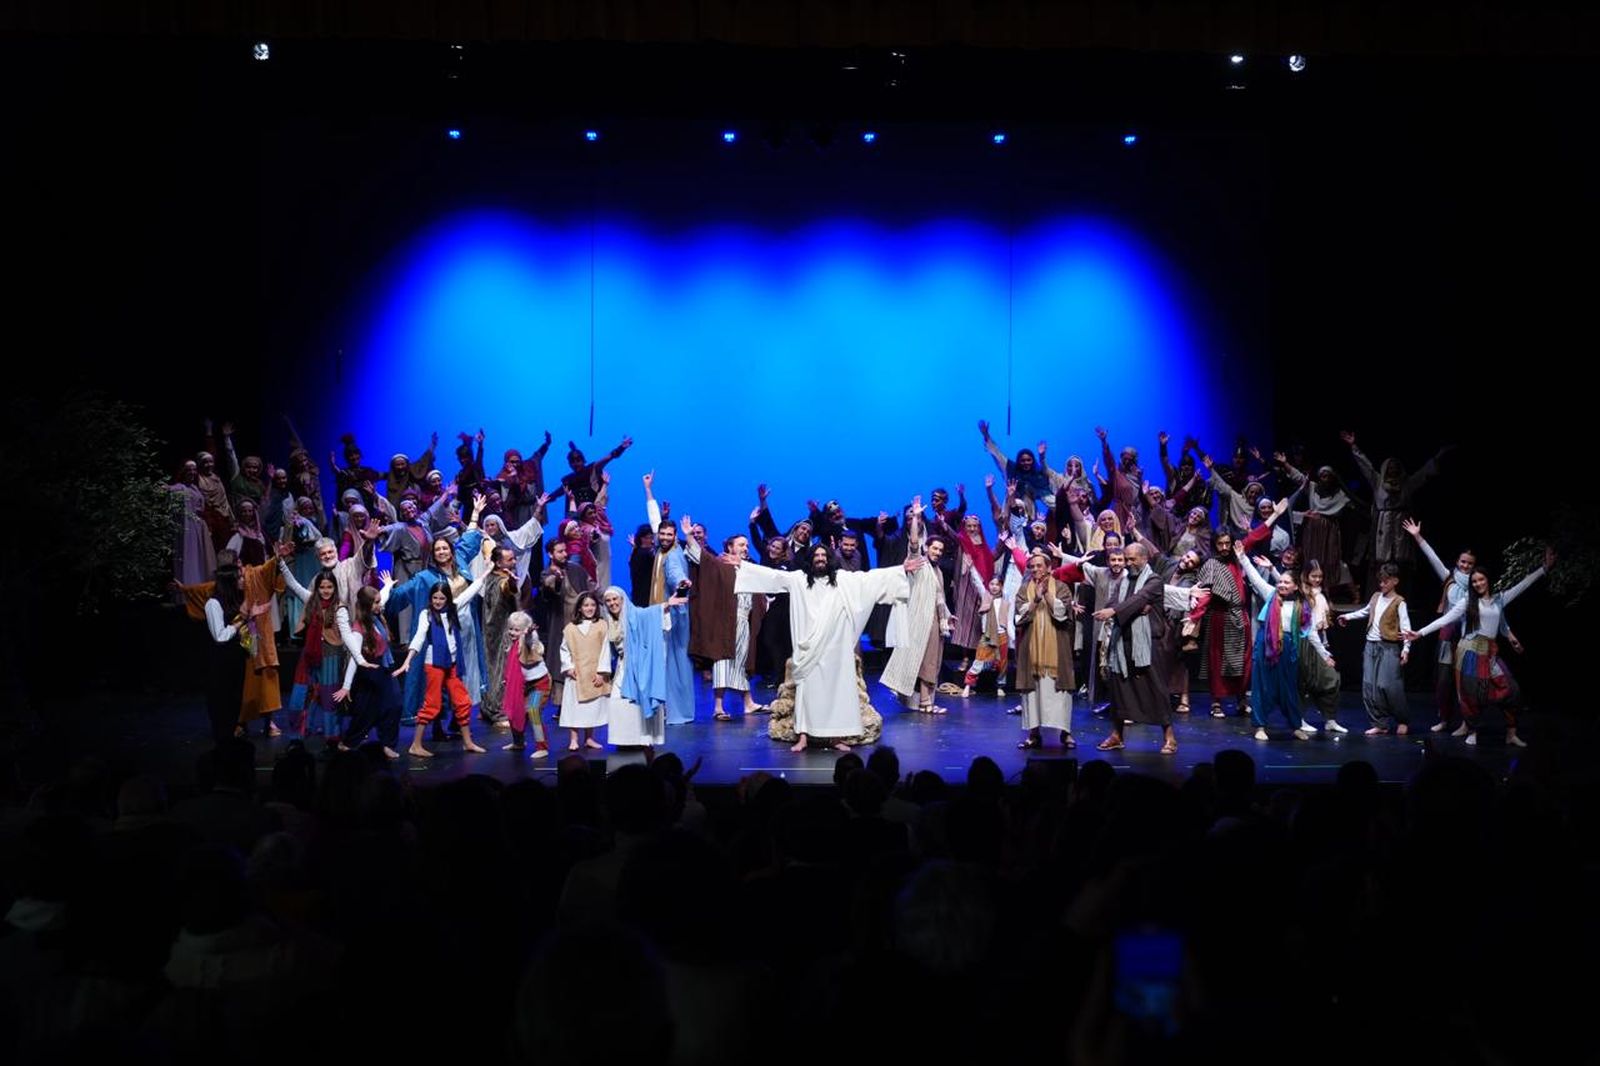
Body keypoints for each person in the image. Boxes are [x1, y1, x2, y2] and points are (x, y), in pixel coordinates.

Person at [734, 544, 922, 752]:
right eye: (817, 555)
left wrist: (900, 570)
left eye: (824, 555)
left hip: (835, 647)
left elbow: (870, 579)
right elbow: (773, 577)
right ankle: (803, 737)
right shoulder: (798, 579)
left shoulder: (842, 581)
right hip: (809, 648)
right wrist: (743, 566)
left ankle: (835, 737)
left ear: (830, 558)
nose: (821, 559)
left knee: (837, 692)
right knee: (807, 691)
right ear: (811, 559)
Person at [1405, 547, 1554, 748]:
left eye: (1481, 580)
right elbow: (1445, 619)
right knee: (1470, 695)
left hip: (1490, 652)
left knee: (1511, 690)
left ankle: (1511, 732)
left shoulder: (1499, 599)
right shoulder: (1467, 602)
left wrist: (1544, 568)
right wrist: (1419, 633)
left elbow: (1523, 584)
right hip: (1469, 651)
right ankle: (1472, 730)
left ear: (1487, 580)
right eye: (1474, 581)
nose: (1478, 584)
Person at [1094, 543, 1177, 754]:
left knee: (1155, 688)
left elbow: (1139, 599)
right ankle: (1117, 735)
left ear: (1144, 558)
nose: (1128, 564)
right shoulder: (1123, 581)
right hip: (1123, 641)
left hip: (1148, 643)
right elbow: (1119, 601)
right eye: (1127, 559)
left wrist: (1115, 610)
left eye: (1132, 560)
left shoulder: (1154, 580)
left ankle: (1169, 737)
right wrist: (1113, 609)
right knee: (1120, 688)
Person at [393, 579, 490, 758]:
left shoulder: (453, 608)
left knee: (462, 702)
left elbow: (470, 593)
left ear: (447, 598)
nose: (438, 601)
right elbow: (420, 637)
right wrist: (408, 660)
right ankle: (416, 745)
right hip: (434, 664)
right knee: (432, 704)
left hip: (451, 664)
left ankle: (467, 742)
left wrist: (487, 571)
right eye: (435, 598)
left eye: (441, 598)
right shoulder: (427, 614)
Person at [880, 504, 953, 715]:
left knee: (933, 662)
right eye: (934, 548)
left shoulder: (937, 571)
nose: (937, 552)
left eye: (940, 550)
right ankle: (925, 702)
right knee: (924, 662)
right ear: (927, 549)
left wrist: (947, 615)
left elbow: (940, 597)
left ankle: (927, 700)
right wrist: (916, 518)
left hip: (936, 621)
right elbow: (913, 543)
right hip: (920, 620)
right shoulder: (918, 563)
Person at [1336, 562, 1412, 736]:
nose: (1382, 584)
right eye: (1381, 581)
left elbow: (1406, 628)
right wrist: (1347, 616)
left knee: (1389, 686)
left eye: (1386, 581)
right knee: (1369, 686)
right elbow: (1365, 612)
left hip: (1389, 647)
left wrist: (1406, 649)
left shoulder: (1399, 602)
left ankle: (1402, 720)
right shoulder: (1376, 596)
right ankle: (1380, 723)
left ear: (1395, 581)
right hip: (1371, 645)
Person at [1014, 549, 1078, 750]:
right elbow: (1020, 616)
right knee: (1032, 693)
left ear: (1049, 568)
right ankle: (1034, 733)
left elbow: (1062, 613)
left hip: (1056, 649)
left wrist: (1047, 595)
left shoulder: (1061, 588)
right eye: (1032, 566)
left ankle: (1065, 733)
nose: (1035, 569)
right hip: (1031, 650)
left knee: (1060, 692)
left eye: (1039, 565)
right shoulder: (1024, 589)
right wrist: (1035, 599)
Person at [559, 591, 611, 752]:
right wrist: (568, 667)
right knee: (575, 707)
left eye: (593, 605)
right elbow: (564, 649)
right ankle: (574, 739)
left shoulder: (602, 625)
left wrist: (602, 672)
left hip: (594, 671)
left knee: (591, 708)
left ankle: (589, 738)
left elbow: (605, 650)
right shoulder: (570, 628)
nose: (590, 608)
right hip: (577, 674)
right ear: (580, 608)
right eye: (586, 605)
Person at [499, 610, 551, 758]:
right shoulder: (513, 644)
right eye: (511, 629)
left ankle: (542, 747)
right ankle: (518, 742)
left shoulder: (530, 642)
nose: (512, 632)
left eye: (516, 630)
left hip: (539, 684)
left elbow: (529, 640)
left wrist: (528, 633)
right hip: (523, 685)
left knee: (533, 711)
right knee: (514, 710)